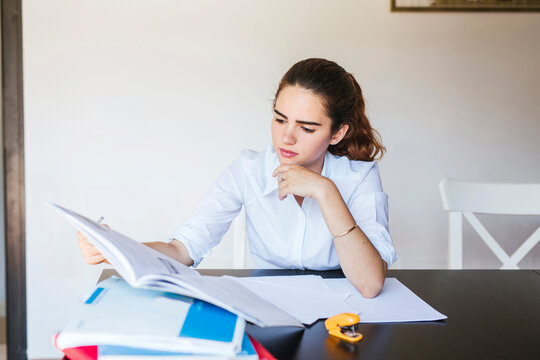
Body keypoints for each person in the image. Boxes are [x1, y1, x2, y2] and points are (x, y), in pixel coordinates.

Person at [78, 58, 397, 298]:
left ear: (338, 132)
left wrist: (327, 193)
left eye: (307, 127)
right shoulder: (247, 170)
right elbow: (183, 250)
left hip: (342, 308)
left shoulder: (360, 177)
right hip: (271, 303)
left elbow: (370, 284)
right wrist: (117, 248)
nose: (286, 137)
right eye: (279, 119)